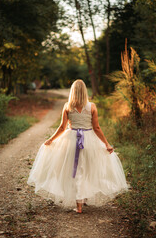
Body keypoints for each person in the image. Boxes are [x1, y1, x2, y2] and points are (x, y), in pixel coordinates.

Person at [27, 80, 128, 213]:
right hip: (89, 140)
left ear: (72, 91)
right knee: (86, 169)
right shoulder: (92, 106)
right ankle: (81, 200)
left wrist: (51, 140)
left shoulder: (67, 106)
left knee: (75, 171)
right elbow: (96, 128)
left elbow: (63, 127)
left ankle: (79, 203)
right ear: (85, 91)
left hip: (71, 140)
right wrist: (106, 144)